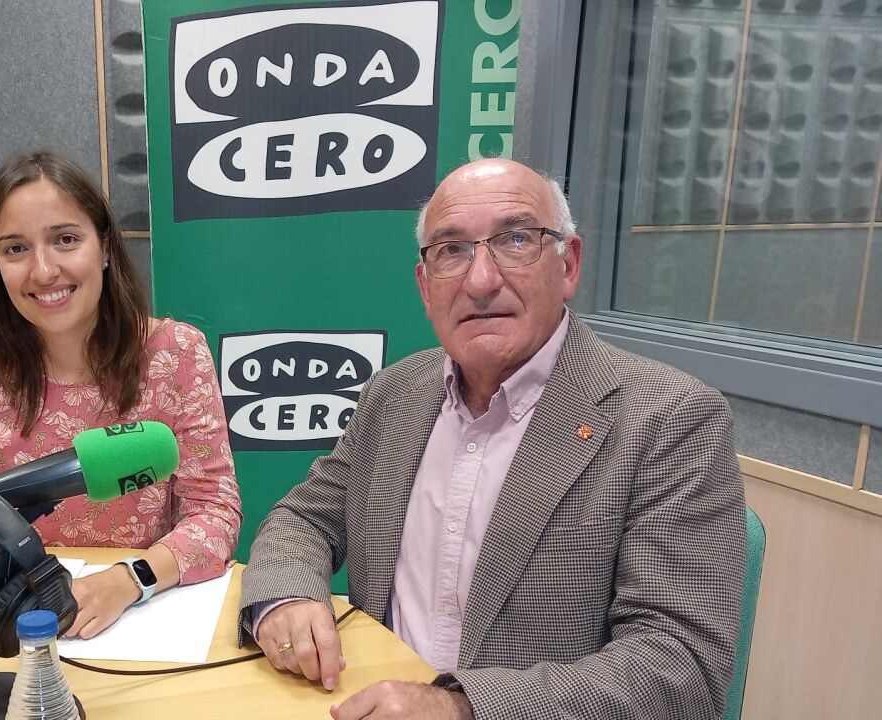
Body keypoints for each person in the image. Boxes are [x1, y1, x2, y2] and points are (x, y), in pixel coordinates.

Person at [239, 158, 745, 720]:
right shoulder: (393, 394)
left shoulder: (671, 419)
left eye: (516, 240)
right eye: (451, 250)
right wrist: (286, 595)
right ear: (425, 286)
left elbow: (680, 668)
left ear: (568, 265)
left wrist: (460, 709)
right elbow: (304, 520)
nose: (480, 281)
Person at [0, 151, 241, 639]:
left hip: (132, 615)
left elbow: (214, 510)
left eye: (65, 240)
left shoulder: (176, 353)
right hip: (12, 616)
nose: (42, 271)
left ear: (104, 247)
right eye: (15, 248)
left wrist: (129, 580)